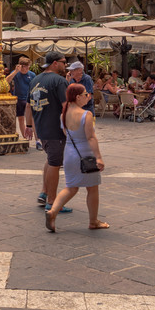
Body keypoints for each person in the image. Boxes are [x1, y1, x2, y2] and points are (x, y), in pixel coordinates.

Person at [44, 84, 107, 232]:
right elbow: (91, 137)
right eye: (86, 94)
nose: (88, 97)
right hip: (85, 154)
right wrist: (98, 157)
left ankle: (53, 211)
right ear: (77, 97)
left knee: (71, 187)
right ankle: (93, 221)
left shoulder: (63, 114)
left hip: (70, 153)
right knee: (92, 188)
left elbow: (67, 134)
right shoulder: (86, 114)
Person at [25, 52, 70, 213]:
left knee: (50, 159)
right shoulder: (59, 81)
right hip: (55, 129)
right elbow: (66, 106)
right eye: (64, 62)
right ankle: (52, 201)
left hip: (41, 129)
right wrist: (71, 127)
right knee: (55, 164)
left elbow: (29, 105)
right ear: (55, 63)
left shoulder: (35, 79)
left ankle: (44, 192)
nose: (66, 65)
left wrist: (28, 125)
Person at [7, 57, 35, 140]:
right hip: (19, 99)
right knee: (21, 118)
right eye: (25, 66)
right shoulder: (16, 73)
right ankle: (25, 136)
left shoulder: (32, 74)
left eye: (28, 66)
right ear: (20, 66)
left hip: (29, 99)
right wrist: (16, 71)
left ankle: (34, 135)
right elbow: (6, 81)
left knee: (31, 118)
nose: (27, 68)